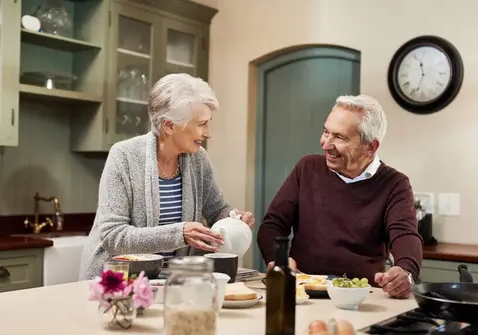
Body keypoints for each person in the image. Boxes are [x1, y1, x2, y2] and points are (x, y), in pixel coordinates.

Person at [81, 73, 254, 279]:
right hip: (117, 284)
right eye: (201, 124)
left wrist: (233, 218)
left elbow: (217, 210)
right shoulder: (124, 156)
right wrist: (179, 234)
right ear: (169, 125)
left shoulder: (198, 159)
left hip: (173, 282)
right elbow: (113, 236)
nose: (208, 133)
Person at [256, 94, 422, 298]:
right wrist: (278, 259)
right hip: (304, 294)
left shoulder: (395, 184)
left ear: (370, 147)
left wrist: (405, 271)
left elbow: (404, 234)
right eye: (326, 132)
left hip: (361, 296)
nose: (325, 144)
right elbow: (272, 225)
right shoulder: (307, 168)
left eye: (340, 137)